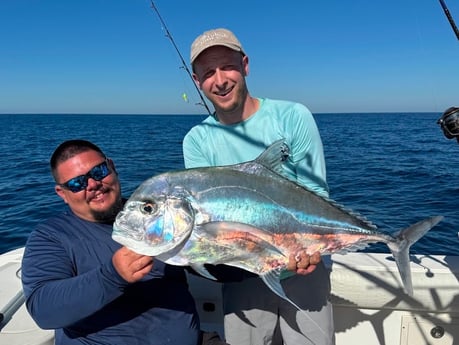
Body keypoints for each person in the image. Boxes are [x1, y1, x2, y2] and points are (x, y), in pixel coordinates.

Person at [183, 28, 335, 345]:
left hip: (304, 267)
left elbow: (315, 194)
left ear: (245, 65)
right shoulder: (197, 140)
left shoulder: (293, 116)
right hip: (243, 271)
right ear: (198, 82)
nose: (220, 80)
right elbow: (207, 217)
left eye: (227, 66)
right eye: (208, 73)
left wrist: (310, 246)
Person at [21, 139, 203, 345]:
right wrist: (112, 276)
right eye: (76, 183)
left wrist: (230, 247)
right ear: (62, 193)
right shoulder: (51, 237)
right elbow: (43, 310)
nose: (92, 185)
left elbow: (220, 272)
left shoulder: (162, 213)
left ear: (112, 167)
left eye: (98, 171)